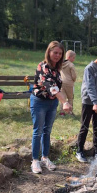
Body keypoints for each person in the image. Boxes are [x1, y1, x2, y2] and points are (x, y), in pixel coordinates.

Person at [30, 41, 72, 174]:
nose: (58, 55)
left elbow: (58, 86)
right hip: (39, 102)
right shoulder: (43, 66)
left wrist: (61, 101)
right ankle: (35, 160)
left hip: (52, 103)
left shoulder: (56, 68)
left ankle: (45, 158)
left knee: (47, 131)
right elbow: (52, 88)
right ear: (49, 52)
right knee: (38, 131)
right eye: (55, 52)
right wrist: (64, 102)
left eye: (60, 53)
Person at [76, 50, 97, 163]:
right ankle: (79, 151)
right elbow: (90, 86)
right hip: (88, 101)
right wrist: (95, 103)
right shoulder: (89, 68)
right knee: (85, 126)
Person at [59, 50, 77, 116]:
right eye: (73, 58)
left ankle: (62, 112)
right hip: (69, 83)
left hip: (61, 82)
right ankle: (69, 112)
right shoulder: (71, 65)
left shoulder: (61, 64)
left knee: (63, 98)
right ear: (69, 57)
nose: (74, 59)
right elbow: (74, 75)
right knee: (70, 98)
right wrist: (74, 80)